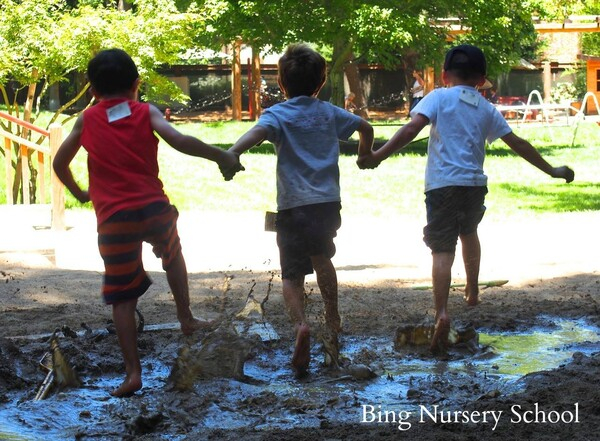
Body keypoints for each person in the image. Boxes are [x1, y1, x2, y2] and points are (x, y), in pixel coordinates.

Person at [358, 44, 574, 355]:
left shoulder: (437, 97)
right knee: (469, 233)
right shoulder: (486, 108)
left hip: (441, 187)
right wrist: (551, 169)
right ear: (482, 78)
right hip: (474, 186)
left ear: (444, 74)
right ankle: (472, 291)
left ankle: (442, 311)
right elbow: (518, 143)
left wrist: (377, 155)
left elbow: (409, 130)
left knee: (442, 250)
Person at [52, 48, 241, 397]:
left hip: (114, 220)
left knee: (123, 300)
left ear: (92, 90)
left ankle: (133, 374)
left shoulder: (86, 119)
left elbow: (60, 163)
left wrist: (81, 192)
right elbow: (180, 141)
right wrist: (221, 155)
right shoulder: (145, 111)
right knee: (173, 255)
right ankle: (186, 317)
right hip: (154, 209)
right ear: (137, 84)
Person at [225, 43, 374, 377]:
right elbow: (365, 128)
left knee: (292, 275)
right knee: (323, 259)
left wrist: (232, 153)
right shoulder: (329, 112)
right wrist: (365, 156)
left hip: (292, 207)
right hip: (326, 205)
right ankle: (332, 318)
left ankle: (301, 327)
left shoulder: (277, 114)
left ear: (281, 83)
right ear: (320, 83)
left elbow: (256, 134)